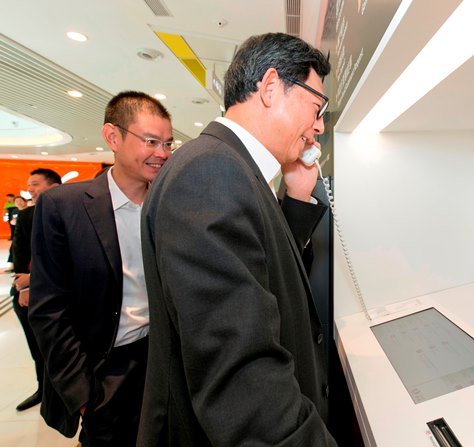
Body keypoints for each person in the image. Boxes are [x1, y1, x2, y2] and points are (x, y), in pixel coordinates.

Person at [138, 32, 336, 446]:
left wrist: (298, 197)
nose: (319, 125)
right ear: (269, 87)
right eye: (317, 107)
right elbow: (244, 380)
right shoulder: (210, 174)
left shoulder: (232, 168)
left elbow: (262, 268)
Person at [27, 91, 174, 446]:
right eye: (151, 141)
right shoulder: (63, 207)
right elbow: (49, 309)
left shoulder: (171, 202)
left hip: (163, 362)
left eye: (168, 143)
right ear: (113, 137)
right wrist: (82, 393)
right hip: (106, 371)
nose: (163, 154)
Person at [11, 169, 62, 411]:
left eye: (35, 184)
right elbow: (20, 255)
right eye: (28, 184)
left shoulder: (71, 211)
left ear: (53, 185)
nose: (30, 189)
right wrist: (24, 287)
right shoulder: (28, 215)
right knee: (37, 347)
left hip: (59, 291)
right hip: (28, 293)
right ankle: (44, 390)